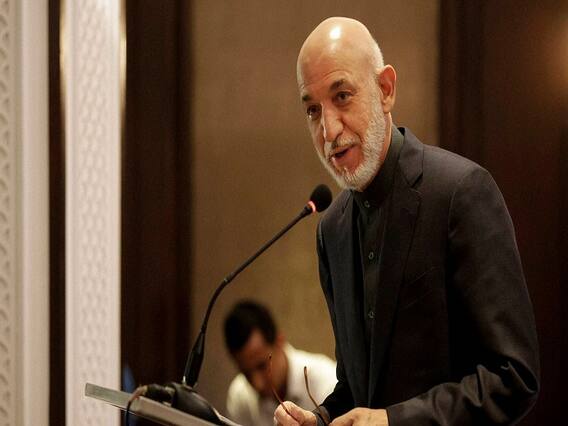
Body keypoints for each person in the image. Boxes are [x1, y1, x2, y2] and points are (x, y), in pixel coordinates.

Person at [274, 17, 540, 426]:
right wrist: (322, 418)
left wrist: (393, 421)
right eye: (313, 110)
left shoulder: (460, 192)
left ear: (385, 89)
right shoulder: (333, 229)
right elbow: (358, 388)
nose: (328, 130)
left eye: (342, 96)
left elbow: (513, 377)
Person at [224, 300, 337, 426]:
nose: (257, 383)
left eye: (262, 366)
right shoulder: (239, 395)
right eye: (246, 373)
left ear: (279, 341)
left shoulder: (327, 382)